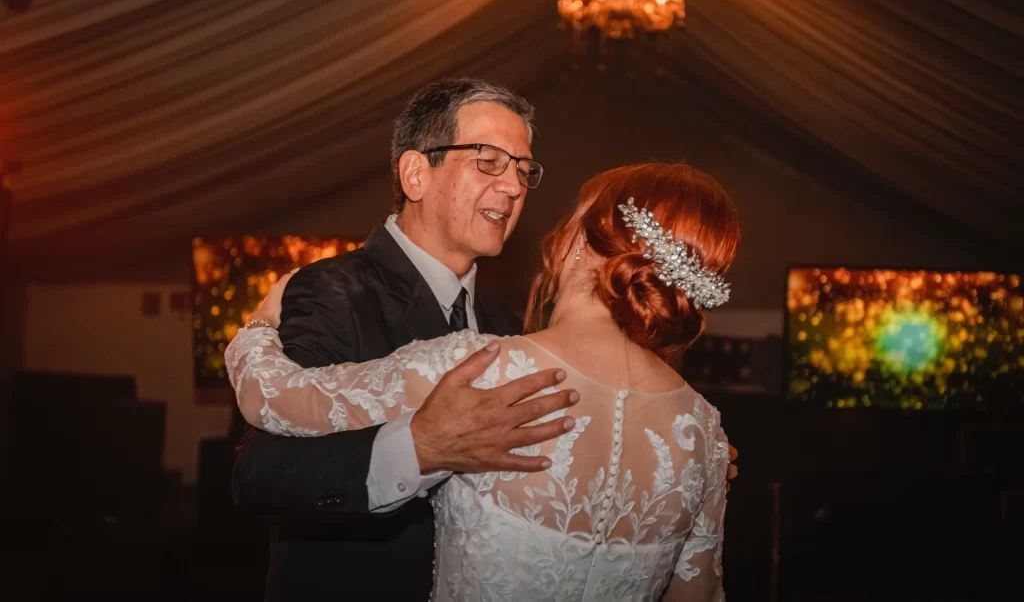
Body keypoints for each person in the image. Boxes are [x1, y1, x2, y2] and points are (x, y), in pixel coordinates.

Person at [229, 162, 740, 601]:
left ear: (581, 241)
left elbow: (268, 398)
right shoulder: (703, 434)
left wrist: (258, 325)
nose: (515, 189)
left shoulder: (483, 365)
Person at [232, 79, 581, 601]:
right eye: (488, 160)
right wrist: (418, 449)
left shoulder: (509, 325)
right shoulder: (333, 289)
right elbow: (260, 476)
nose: (512, 187)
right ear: (416, 174)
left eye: (523, 170)